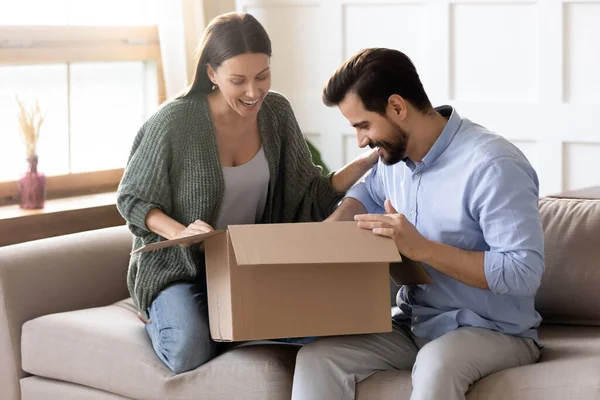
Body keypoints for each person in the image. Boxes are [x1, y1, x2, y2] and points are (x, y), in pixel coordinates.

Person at [116, 13, 376, 375]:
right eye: (238, 80)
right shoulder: (174, 122)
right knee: (187, 351)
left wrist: (368, 160)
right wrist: (181, 233)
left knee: (333, 326)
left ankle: (231, 325)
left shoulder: (277, 113)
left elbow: (311, 192)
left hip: (247, 270)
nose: (253, 92)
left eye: (262, 76)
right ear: (211, 74)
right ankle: (182, 317)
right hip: (180, 270)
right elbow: (132, 199)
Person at [290, 48, 544, 400]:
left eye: (364, 125)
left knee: (435, 363)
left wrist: (420, 248)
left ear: (397, 107)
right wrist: (325, 235)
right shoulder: (392, 160)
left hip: (495, 332)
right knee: (318, 359)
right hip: (416, 323)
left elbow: (522, 272)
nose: (361, 140)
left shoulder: (492, 164)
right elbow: (363, 196)